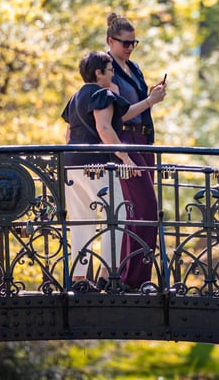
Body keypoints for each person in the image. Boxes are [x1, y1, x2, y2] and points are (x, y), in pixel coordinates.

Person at [62, 51, 147, 292]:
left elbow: (68, 135)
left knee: (80, 220)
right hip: (96, 165)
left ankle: (79, 279)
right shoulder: (102, 95)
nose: (113, 75)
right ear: (99, 73)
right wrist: (126, 157)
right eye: (110, 70)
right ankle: (108, 275)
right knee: (116, 214)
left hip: (71, 163)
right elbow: (104, 128)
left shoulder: (75, 97)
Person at [104, 13, 166, 291]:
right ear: (110, 41)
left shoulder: (134, 68)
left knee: (138, 211)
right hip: (125, 143)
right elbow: (122, 114)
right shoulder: (107, 70)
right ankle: (137, 279)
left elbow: (140, 106)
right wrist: (150, 100)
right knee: (146, 209)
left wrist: (151, 97)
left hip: (143, 142)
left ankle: (127, 276)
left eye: (134, 43)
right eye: (125, 43)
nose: (130, 48)